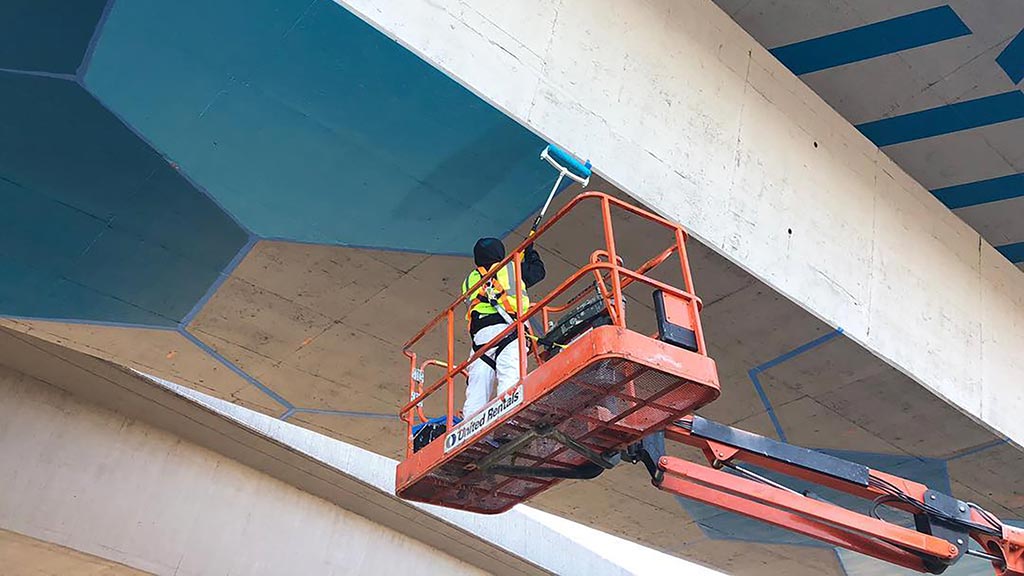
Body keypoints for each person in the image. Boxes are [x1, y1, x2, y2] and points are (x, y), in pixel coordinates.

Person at [461, 237, 545, 418]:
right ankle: (508, 418)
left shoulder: (469, 281)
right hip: (507, 329)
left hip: (481, 338)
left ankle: (470, 425)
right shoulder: (511, 269)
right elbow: (538, 272)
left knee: (477, 386)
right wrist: (530, 252)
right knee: (509, 377)